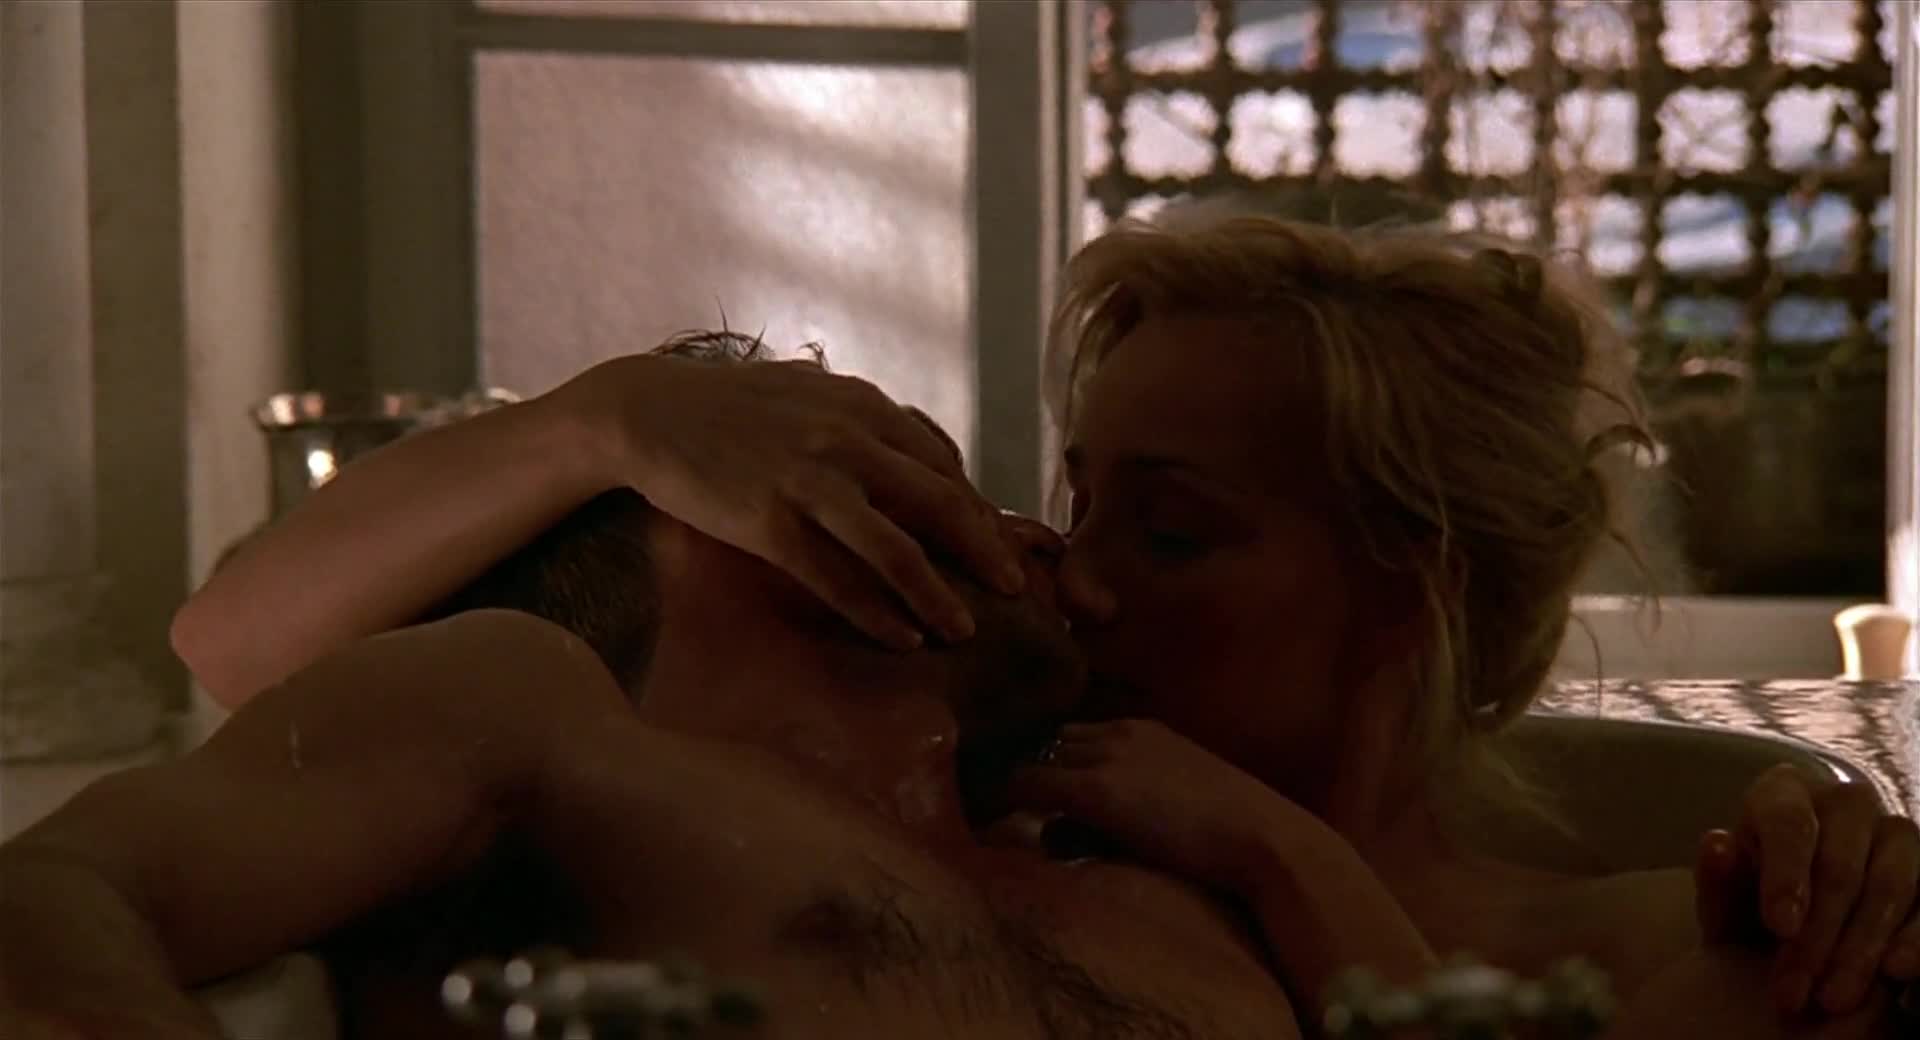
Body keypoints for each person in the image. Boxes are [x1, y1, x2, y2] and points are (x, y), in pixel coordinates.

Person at [174, 211, 1914, 1017]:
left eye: (1171, 534)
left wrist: (1282, 864)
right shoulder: (979, 819)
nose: (1072, 575)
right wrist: (607, 424)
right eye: (1079, 502)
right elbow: (241, 653)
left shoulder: (1642, 934)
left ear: (1414, 587)